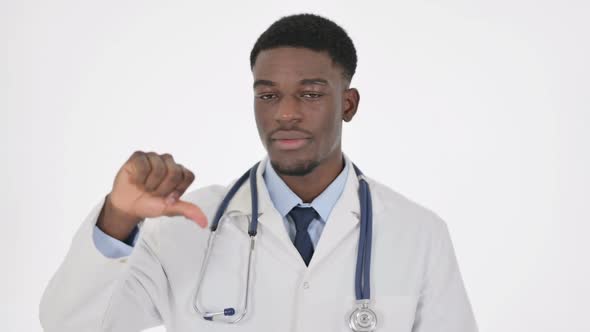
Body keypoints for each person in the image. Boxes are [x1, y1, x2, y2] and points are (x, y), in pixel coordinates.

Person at [40, 13, 478, 332]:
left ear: (348, 104)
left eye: (309, 94)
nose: (285, 113)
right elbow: (72, 326)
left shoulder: (418, 235)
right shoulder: (184, 226)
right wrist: (119, 216)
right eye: (268, 96)